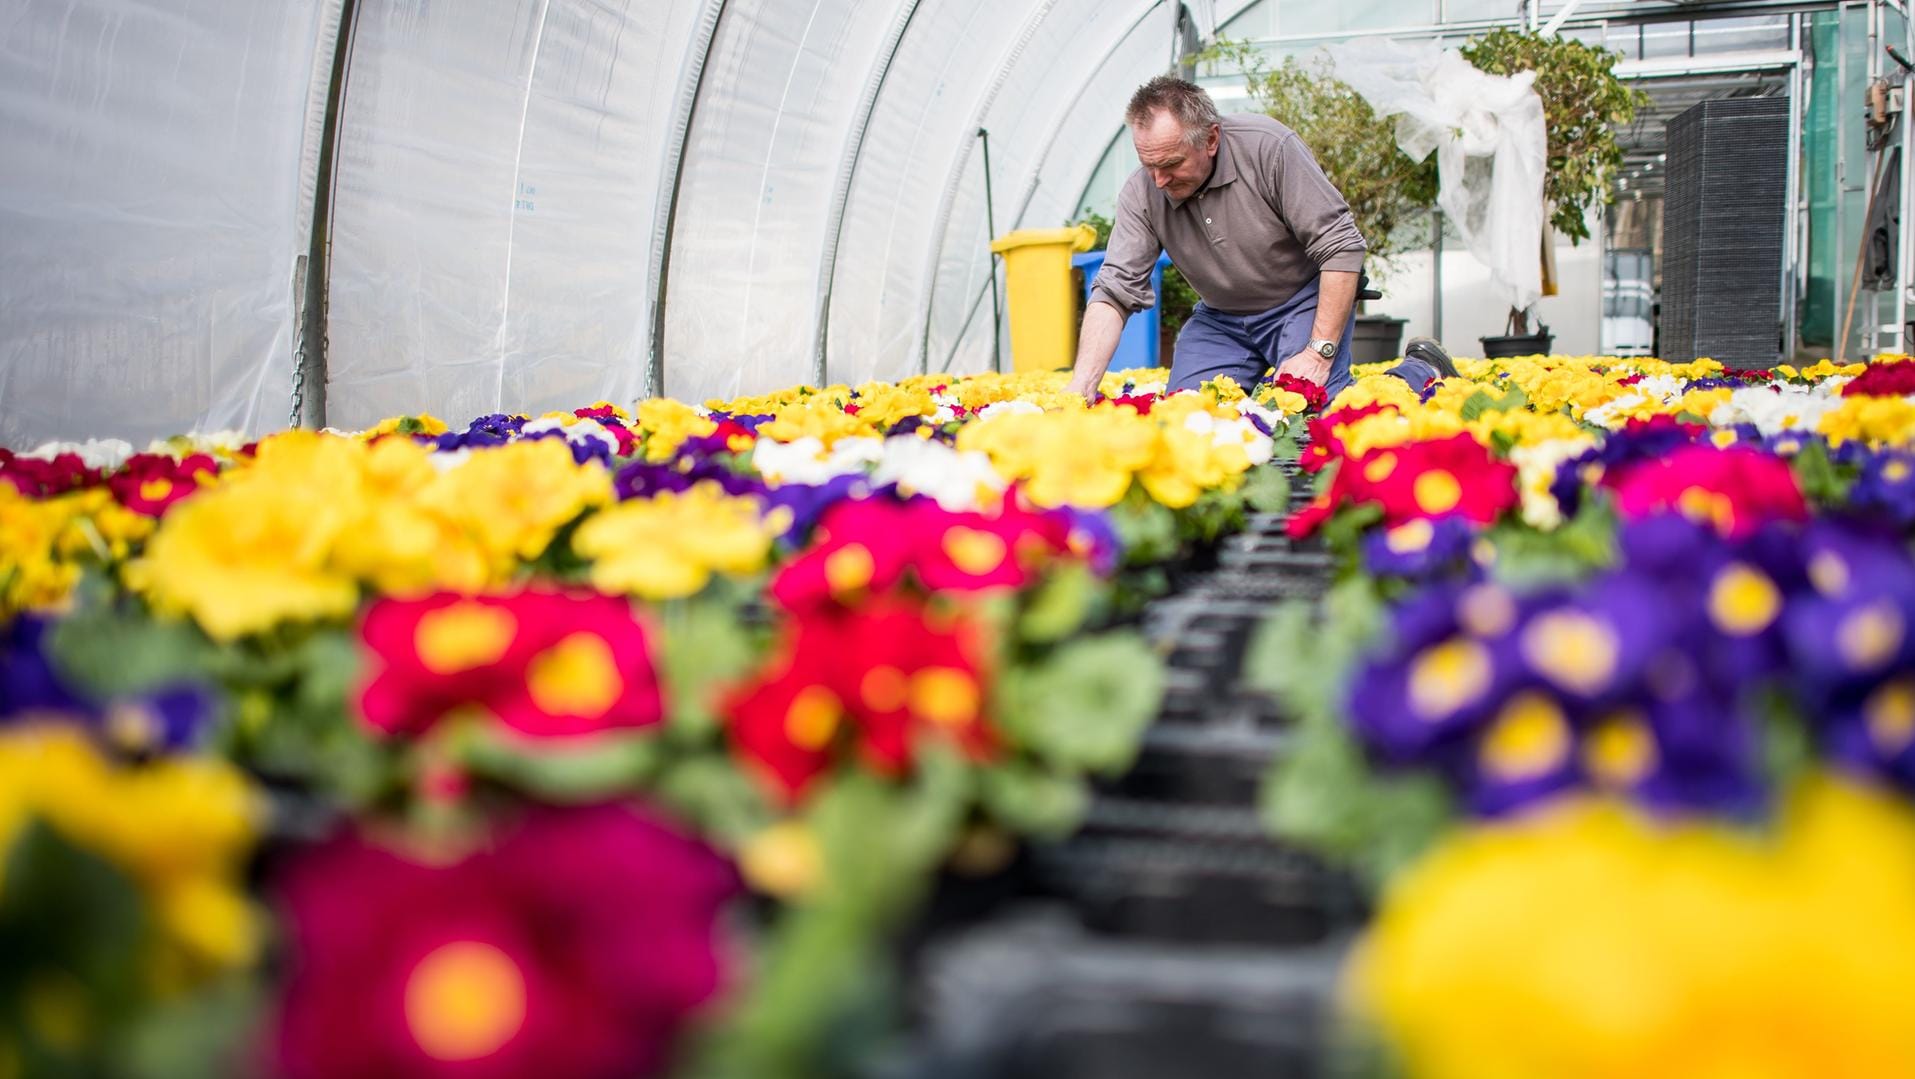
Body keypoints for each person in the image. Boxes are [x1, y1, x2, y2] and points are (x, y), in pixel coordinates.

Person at [1066, 76, 1456, 404]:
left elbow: (1341, 245)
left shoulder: (1269, 148)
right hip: (1220, 318)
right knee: (1191, 415)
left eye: (1170, 164)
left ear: (1211, 139)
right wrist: (1080, 388)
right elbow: (1115, 290)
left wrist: (1319, 353)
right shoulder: (1143, 192)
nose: (1158, 181)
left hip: (1300, 300)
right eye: (1147, 164)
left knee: (1320, 409)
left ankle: (1420, 368)